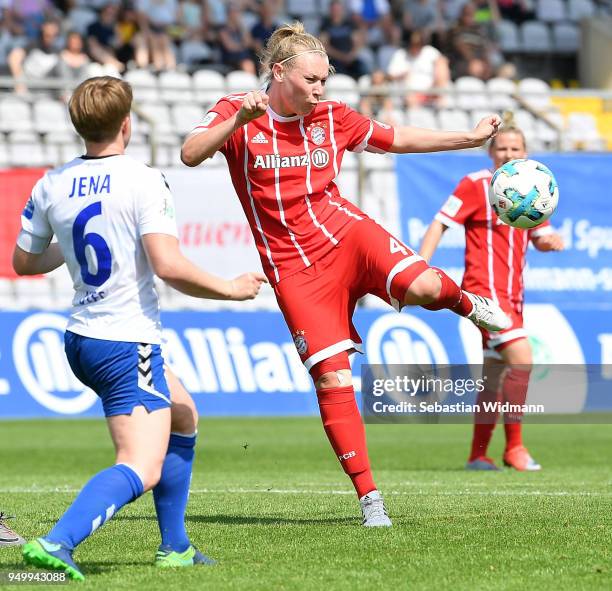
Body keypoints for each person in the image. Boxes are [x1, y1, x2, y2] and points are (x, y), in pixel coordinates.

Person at [180, 21, 510, 527]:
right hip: (293, 268)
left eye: (324, 82)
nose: (319, 90)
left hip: (347, 235)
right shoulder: (237, 111)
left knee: (424, 285)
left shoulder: (333, 117)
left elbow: (396, 138)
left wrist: (466, 137)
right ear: (279, 72)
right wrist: (236, 121)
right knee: (333, 379)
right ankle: (370, 500)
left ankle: (470, 307)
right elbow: (190, 153)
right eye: (311, 80)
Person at [14, 76, 266, 580]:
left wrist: (70, 242)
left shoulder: (51, 182)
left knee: (184, 413)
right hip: (125, 340)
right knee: (141, 464)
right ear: (126, 123)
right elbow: (168, 266)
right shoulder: (144, 179)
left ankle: (175, 546)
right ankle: (56, 543)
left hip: (81, 335)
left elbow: (24, 261)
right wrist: (231, 288)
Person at [419, 117, 564, 471]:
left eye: (515, 149)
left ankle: (477, 455)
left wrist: (549, 241)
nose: (507, 154)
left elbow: (538, 235)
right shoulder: (477, 184)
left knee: (494, 377)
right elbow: (441, 221)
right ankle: (514, 448)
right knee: (522, 361)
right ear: (490, 152)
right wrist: (419, 265)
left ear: (525, 153)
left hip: (514, 295)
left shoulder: (532, 187)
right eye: (501, 148)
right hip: (485, 294)